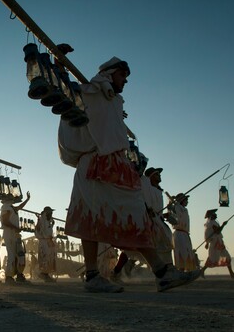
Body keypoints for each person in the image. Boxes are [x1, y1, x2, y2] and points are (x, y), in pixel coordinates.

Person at [60, 56, 200, 292]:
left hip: (115, 164)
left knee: (133, 216)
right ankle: (96, 275)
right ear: (110, 73)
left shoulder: (112, 100)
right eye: (122, 75)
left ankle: (161, 271)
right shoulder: (93, 90)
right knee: (91, 218)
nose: (125, 81)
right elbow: (67, 98)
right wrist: (60, 65)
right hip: (96, 164)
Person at [0, 192, 31, 284]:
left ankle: (19, 275)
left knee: (19, 254)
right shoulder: (5, 207)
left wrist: (27, 199)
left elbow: (20, 206)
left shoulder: (12, 207)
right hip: (9, 233)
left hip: (15, 234)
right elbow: (5, 221)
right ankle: (8, 276)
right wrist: (15, 227)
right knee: (11, 255)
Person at [201, 209, 234, 278]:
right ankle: (202, 271)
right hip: (215, 243)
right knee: (213, 258)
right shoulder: (211, 223)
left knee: (227, 257)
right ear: (211, 215)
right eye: (214, 213)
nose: (216, 214)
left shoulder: (213, 222)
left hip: (219, 242)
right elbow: (218, 231)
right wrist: (223, 225)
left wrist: (207, 243)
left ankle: (232, 274)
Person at [171, 193, 198, 272]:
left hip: (184, 233)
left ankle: (187, 270)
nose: (187, 202)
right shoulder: (177, 207)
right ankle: (181, 271)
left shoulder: (183, 209)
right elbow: (174, 214)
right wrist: (174, 204)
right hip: (179, 234)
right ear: (182, 201)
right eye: (186, 200)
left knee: (187, 252)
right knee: (181, 252)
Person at [35, 206, 57, 283]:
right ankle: (43, 274)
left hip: (48, 241)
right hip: (44, 242)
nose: (51, 214)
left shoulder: (48, 221)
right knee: (45, 258)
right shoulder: (42, 220)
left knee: (49, 258)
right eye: (50, 212)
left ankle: (46, 274)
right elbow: (38, 231)